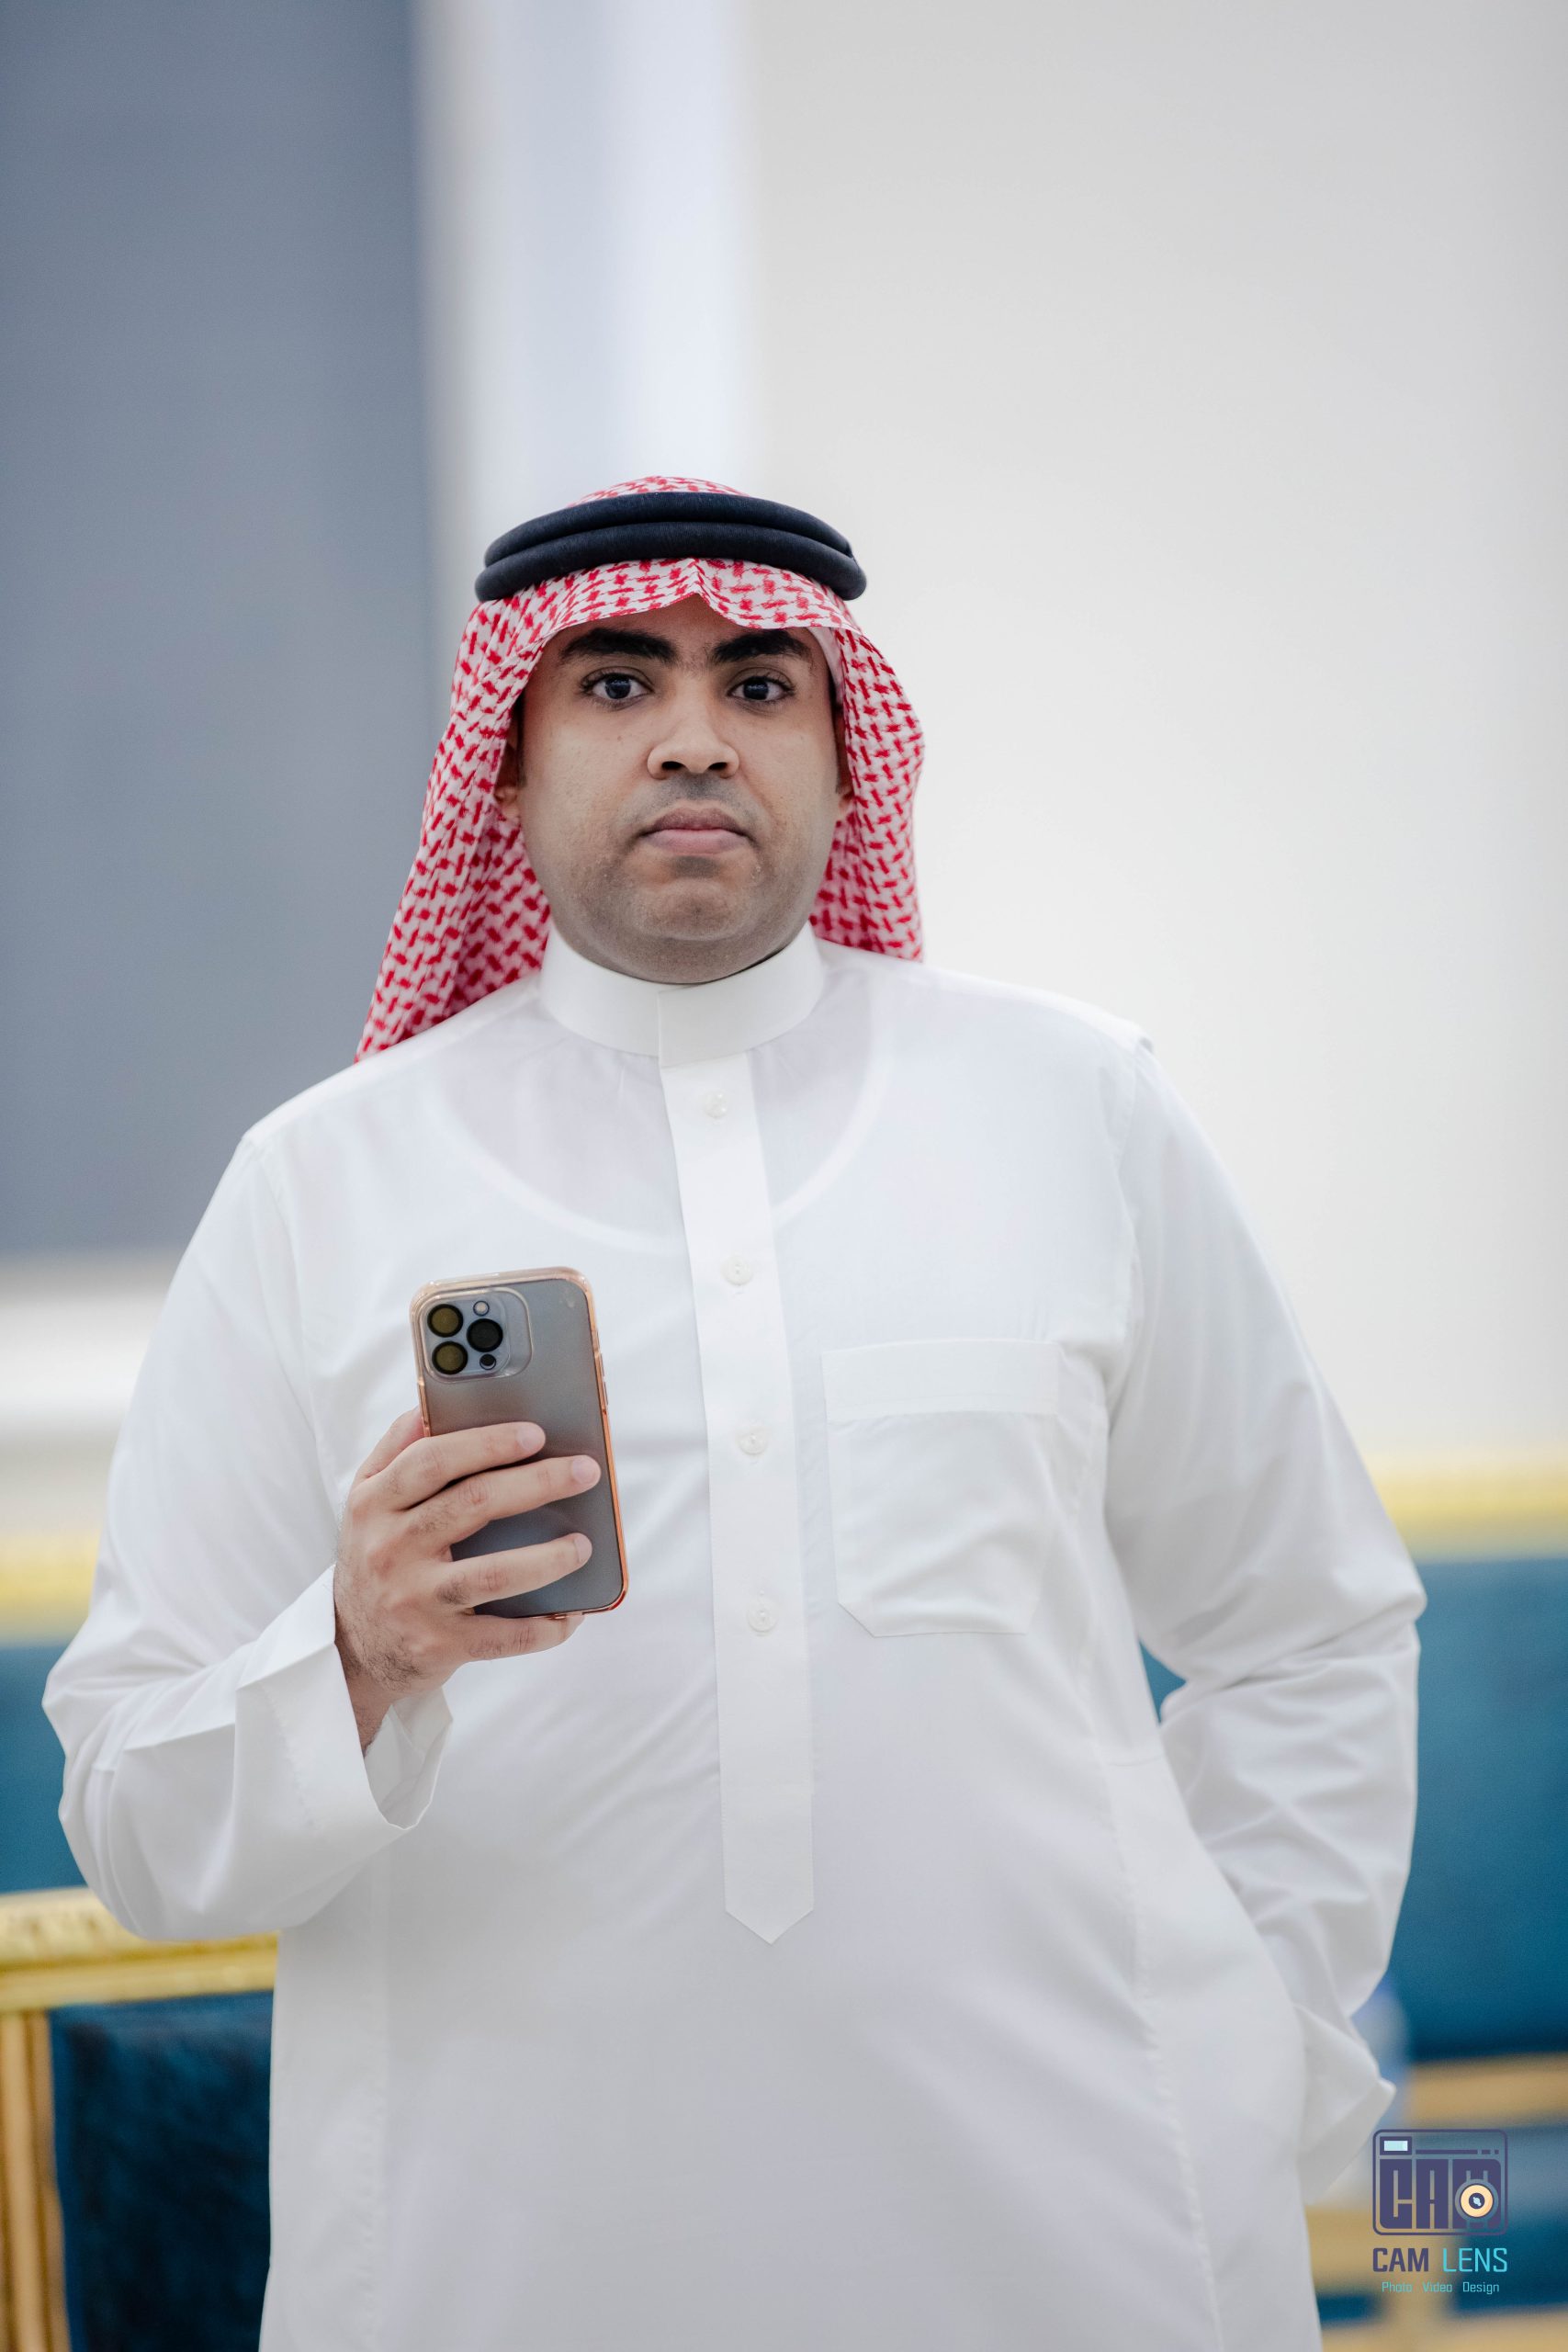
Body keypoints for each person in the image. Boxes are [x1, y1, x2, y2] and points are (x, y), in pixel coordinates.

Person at [45, 476, 1426, 2351]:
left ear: (846, 760)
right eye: (617, 684)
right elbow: (133, 1816)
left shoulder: (1073, 1108)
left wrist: (1266, 2046)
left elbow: (1306, 1630)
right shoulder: (320, 1186)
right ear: (506, 762)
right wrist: (355, 1660)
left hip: (1080, 2232)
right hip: (504, 2260)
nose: (693, 736)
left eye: (758, 685)